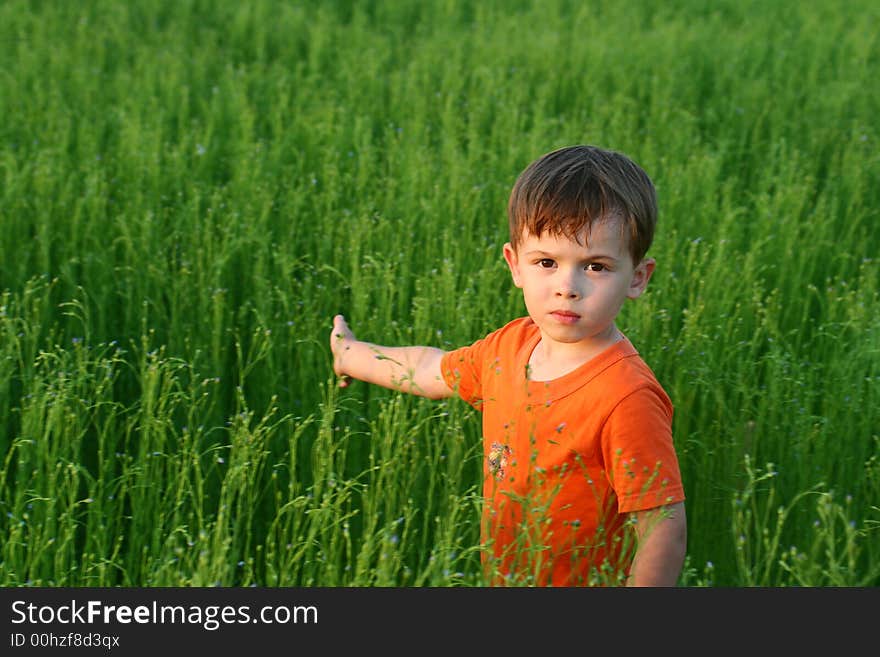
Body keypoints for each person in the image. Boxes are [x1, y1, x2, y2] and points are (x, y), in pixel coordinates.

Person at [330, 145, 686, 586]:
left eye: (595, 266)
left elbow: (662, 528)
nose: (567, 287)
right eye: (547, 263)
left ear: (637, 277)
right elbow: (429, 369)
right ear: (515, 264)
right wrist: (352, 355)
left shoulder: (625, 397)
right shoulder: (508, 348)